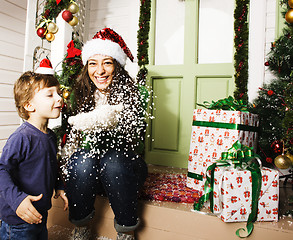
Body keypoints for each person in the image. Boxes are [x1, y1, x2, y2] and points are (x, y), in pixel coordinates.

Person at [64, 28, 148, 240]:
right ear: (86, 67)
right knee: (82, 159)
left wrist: (111, 120)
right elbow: (72, 143)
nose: (99, 71)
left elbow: (136, 142)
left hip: (124, 170)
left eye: (107, 63)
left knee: (112, 159)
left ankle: (126, 230)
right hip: (90, 174)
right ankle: (81, 226)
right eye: (93, 63)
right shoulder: (80, 95)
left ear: (117, 66)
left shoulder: (132, 94)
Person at [0, 59, 68, 240]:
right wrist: (18, 200)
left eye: (58, 93)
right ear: (29, 105)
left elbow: (50, 166)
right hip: (19, 218)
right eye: (50, 95)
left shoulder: (50, 136)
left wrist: (59, 187)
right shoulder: (22, 137)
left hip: (40, 213)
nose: (59, 98)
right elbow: (2, 170)